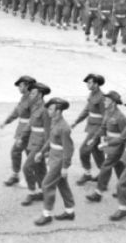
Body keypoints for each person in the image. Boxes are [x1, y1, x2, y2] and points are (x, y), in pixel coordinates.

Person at [33, 97, 76, 225]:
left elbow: (69, 149)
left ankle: (47, 215)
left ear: (58, 111)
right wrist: (41, 152)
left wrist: (64, 167)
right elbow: (50, 140)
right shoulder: (54, 122)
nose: (48, 111)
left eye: (51, 109)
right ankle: (70, 211)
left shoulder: (64, 127)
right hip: (53, 158)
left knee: (46, 184)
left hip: (59, 161)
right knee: (62, 185)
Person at [87, 90, 126, 202]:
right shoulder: (107, 113)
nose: (104, 101)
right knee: (119, 167)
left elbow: (125, 135)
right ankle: (125, 189)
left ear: (113, 102)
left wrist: (124, 150)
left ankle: (98, 193)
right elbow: (103, 128)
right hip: (109, 146)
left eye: (107, 100)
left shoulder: (121, 117)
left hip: (117, 146)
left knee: (105, 167)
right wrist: (94, 138)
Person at [0, 75, 36, 187]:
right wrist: (6, 121)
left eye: (21, 85)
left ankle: (33, 178)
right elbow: (17, 111)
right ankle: (16, 175)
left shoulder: (33, 99)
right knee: (16, 152)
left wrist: (24, 134)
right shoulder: (24, 97)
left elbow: (34, 118)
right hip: (21, 129)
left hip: (29, 131)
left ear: (28, 86)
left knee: (29, 154)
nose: (19, 88)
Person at [20, 82, 52, 206]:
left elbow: (48, 130)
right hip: (32, 140)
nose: (30, 95)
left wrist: (47, 148)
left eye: (33, 93)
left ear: (40, 95)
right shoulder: (34, 107)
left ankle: (32, 192)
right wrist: (22, 137)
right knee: (40, 168)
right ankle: (44, 191)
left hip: (40, 143)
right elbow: (30, 124)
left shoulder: (45, 110)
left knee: (27, 167)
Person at [73, 74, 106, 185]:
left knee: (83, 150)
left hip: (97, 129)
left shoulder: (102, 98)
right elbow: (86, 111)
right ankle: (103, 174)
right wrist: (76, 122)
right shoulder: (92, 95)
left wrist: (103, 133)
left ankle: (87, 174)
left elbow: (105, 116)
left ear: (96, 84)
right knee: (96, 152)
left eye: (90, 82)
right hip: (91, 126)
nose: (88, 84)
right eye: (87, 82)